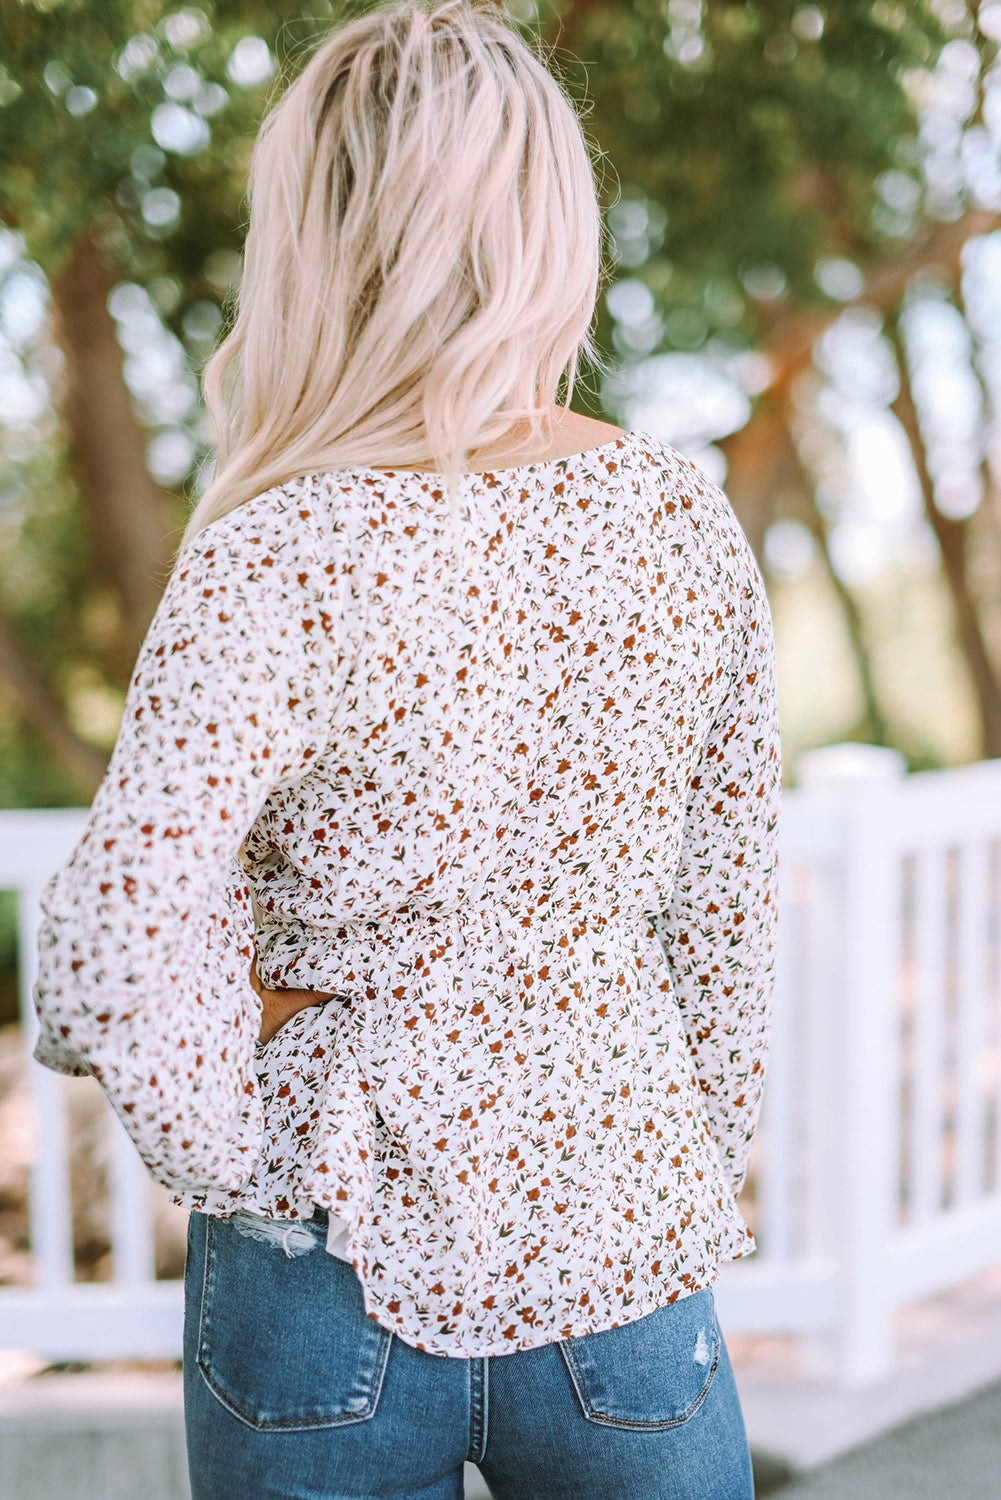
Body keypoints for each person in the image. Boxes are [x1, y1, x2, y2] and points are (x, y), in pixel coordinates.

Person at [30, 1, 782, 1496]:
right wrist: (674, 1149)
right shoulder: (677, 522)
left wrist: (232, 1153)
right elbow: (728, 920)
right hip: (621, 1245)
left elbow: (105, 955)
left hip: (330, 1261)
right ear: (553, 225)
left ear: (312, 239)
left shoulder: (277, 547)